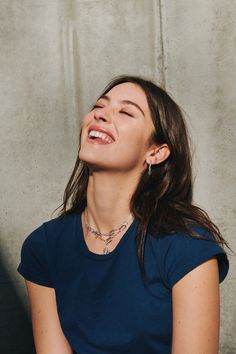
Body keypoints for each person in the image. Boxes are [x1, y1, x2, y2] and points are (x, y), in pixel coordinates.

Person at [18, 75, 230, 354]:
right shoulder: (44, 246)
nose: (101, 115)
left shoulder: (186, 246)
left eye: (126, 112)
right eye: (99, 106)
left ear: (156, 152)